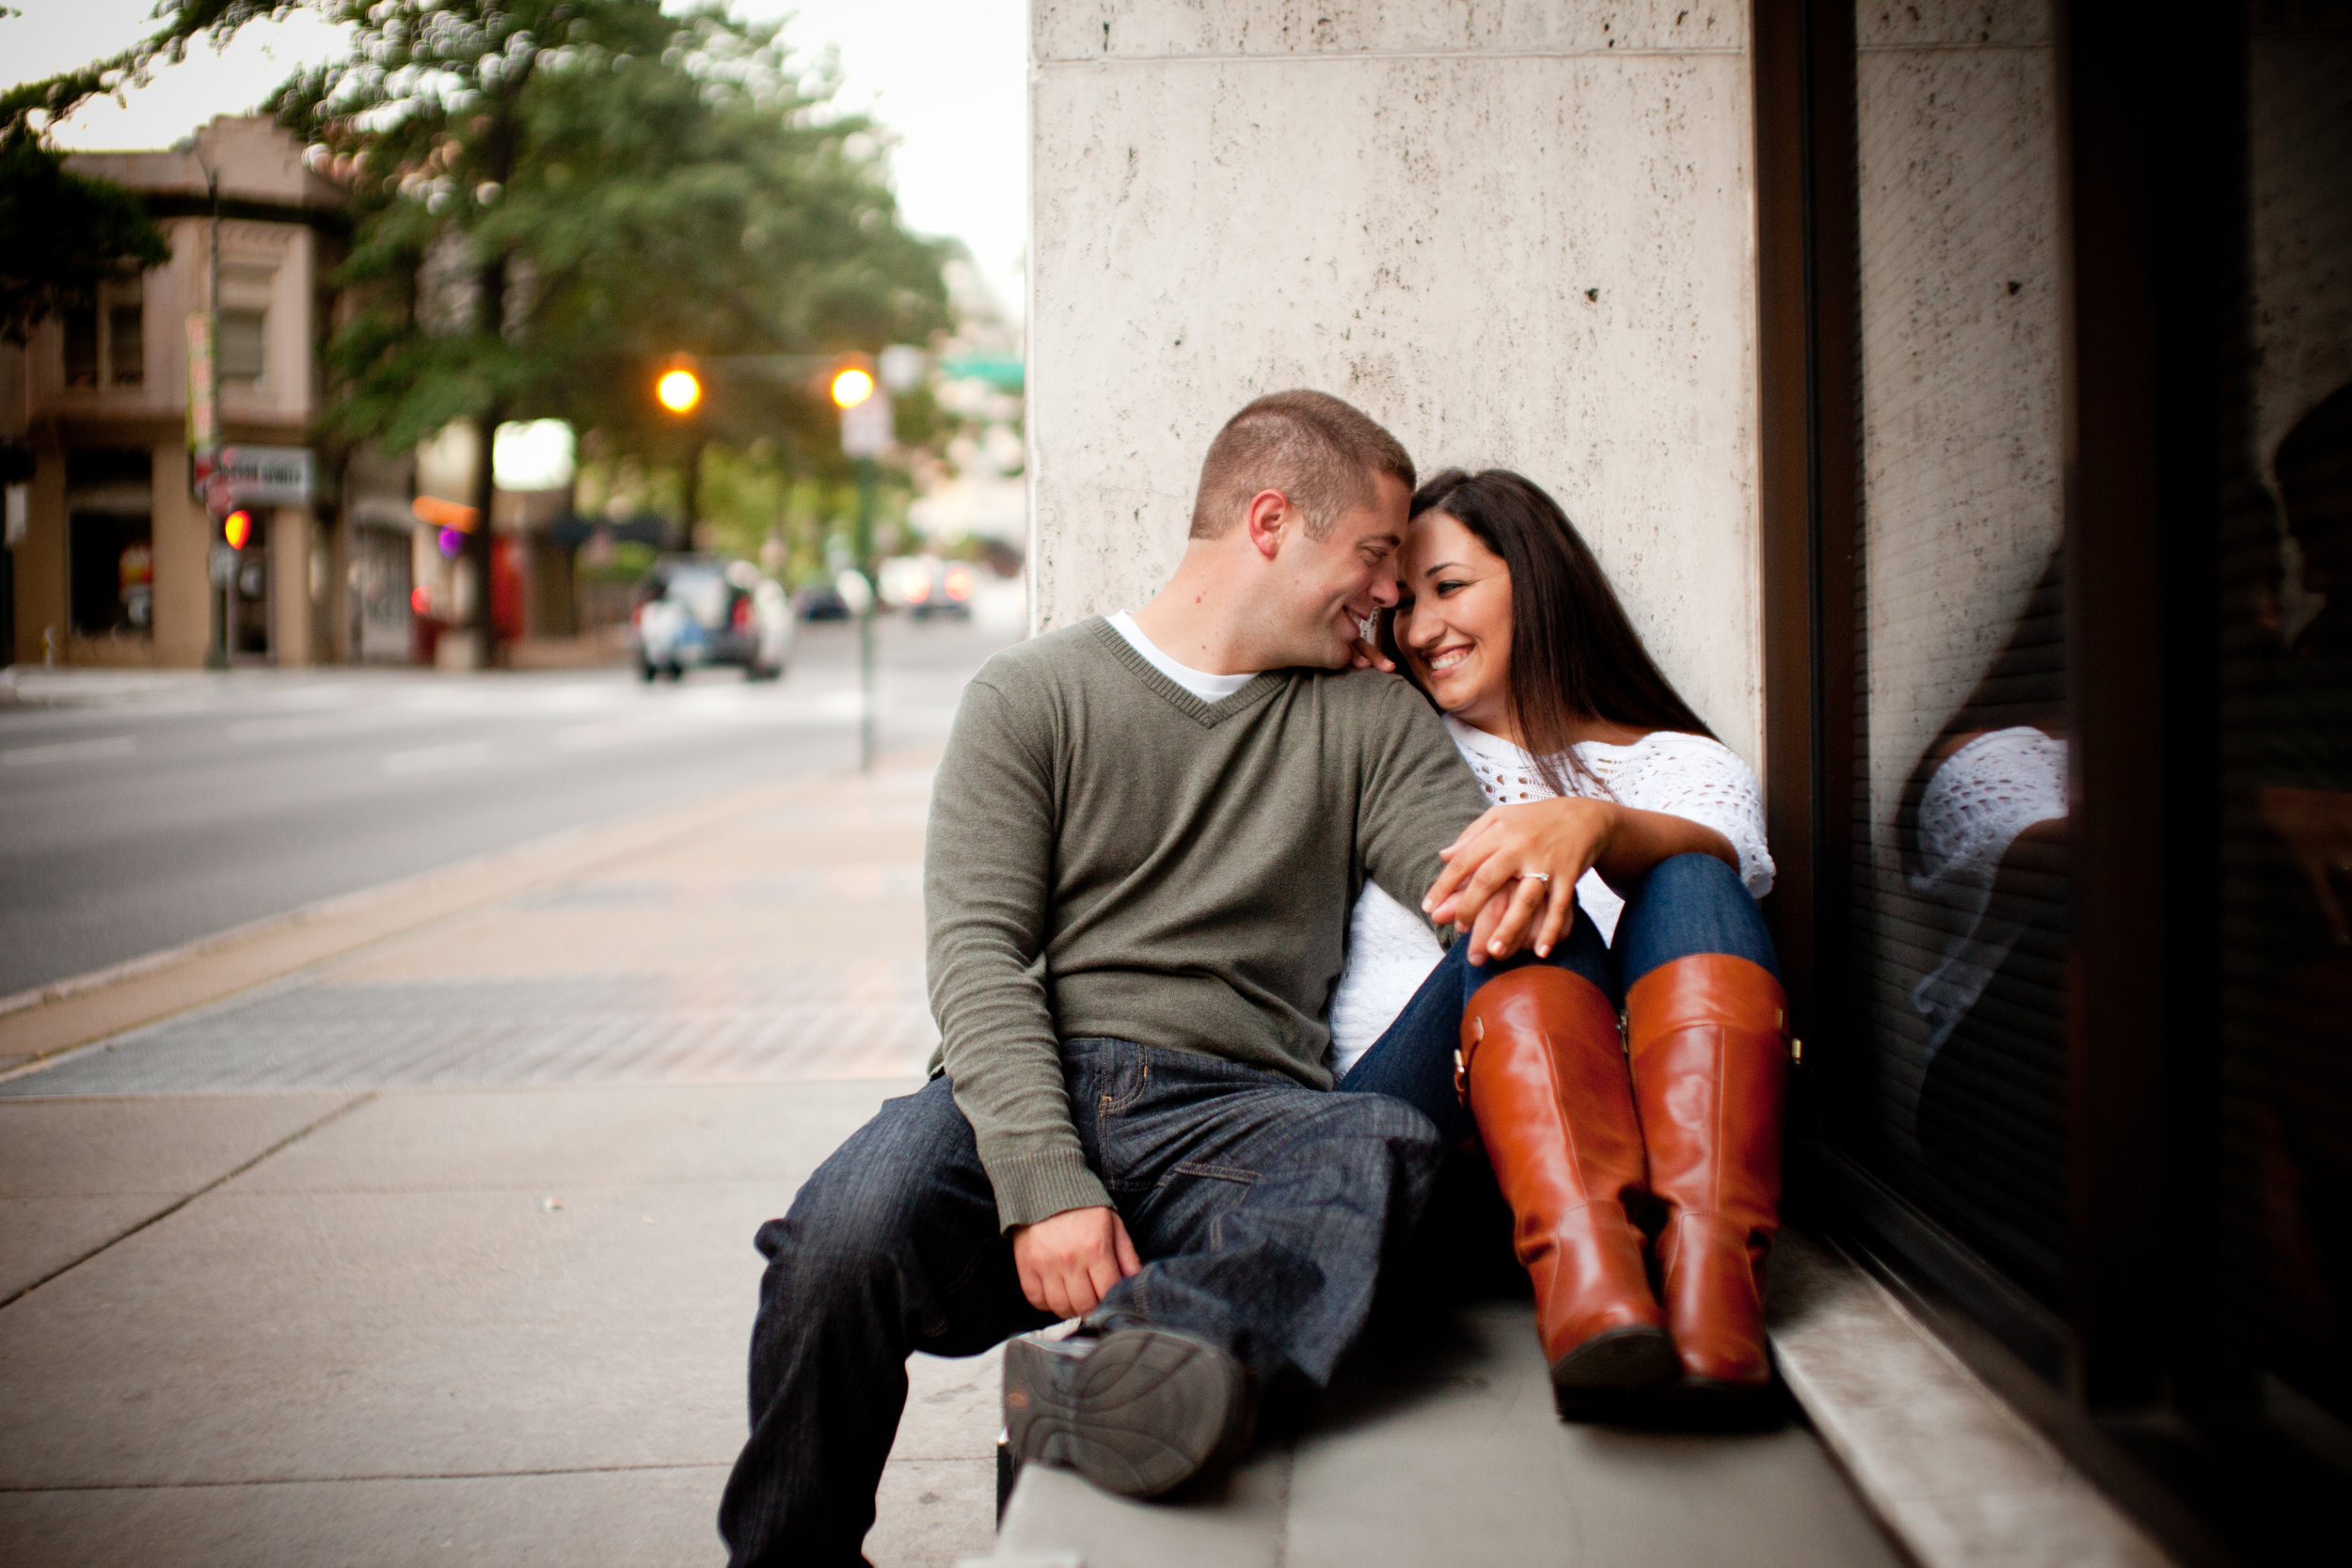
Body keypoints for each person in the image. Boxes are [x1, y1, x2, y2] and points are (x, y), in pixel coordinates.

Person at [717, 392, 1501, 1567]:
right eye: (1378, 555)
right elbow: (978, 957)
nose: (1389, 592)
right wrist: (1042, 1180)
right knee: (836, 1244)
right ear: (1272, 521)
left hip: (1240, 1111)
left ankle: (1107, 1373)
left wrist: (1586, 829)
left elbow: (1476, 902)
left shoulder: (1367, 717)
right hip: (1028, 1086)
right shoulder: (1031, 695)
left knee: (1373, 1147)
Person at [1331, 467, 1789, 1417]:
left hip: (1638, 1197)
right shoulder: (1388, 738)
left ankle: (1701, 1291)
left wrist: (1598, 824)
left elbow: (1714, 887)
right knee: (1532, 912)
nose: (1420, 631)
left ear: (1533, 581)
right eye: (1402, 606)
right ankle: (1593, 1269)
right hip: (1414, 1156)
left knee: (1692, 872)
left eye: (1449, 588)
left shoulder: (1682, 764)